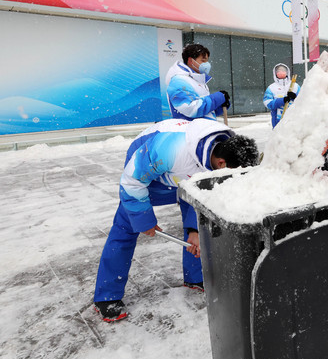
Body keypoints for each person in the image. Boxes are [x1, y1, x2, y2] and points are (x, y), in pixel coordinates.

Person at [93, 118, 259, 322]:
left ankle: (195, 277)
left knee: (200, 225)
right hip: (150, 174)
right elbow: (132, 181)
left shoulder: (227, 151)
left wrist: (194, 231)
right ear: (222, 164)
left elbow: (201, 200)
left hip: (188, 176)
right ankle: (106, 296)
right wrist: (143, 218)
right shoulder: (169, 149)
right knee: (125, 227)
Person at [165, 43, 230, 121]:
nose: (207, 64)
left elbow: (205, 112)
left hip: (203, 129)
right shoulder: (179, 81)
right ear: (190, 60)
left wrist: (220, 105)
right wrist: (216, 98)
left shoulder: (198, 80)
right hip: (189, 130)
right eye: (203, 60)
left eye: (207, 61)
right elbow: (190, 109)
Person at [263, 63, 301, 128]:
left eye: (283, 70)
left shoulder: (295, 86)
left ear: (287, 72)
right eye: (279, 71)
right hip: (278, 120)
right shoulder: (271, 88)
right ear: (275, 73)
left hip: (294, 119)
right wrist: (282, 101)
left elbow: (303, 100)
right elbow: (267, 103)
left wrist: (295, 97)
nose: (281, 72)